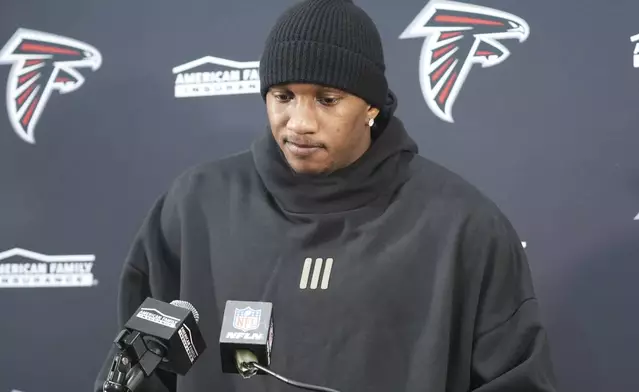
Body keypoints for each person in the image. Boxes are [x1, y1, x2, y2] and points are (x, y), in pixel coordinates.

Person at [94, 0, 558, 390]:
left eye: (327, 99)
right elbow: (137, 369)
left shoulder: (464, 226)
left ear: (372, 104)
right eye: (283, 95)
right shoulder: (193, 206)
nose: (299, 122)